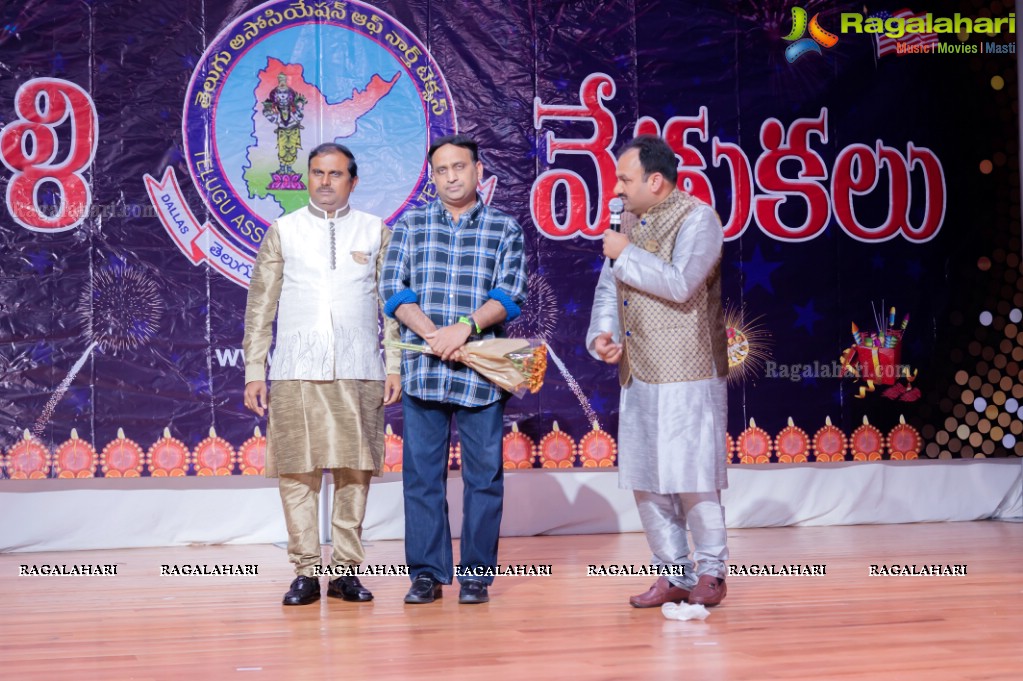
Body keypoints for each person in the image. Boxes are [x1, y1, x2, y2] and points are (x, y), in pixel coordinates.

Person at [243, 142, 401, 606]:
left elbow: (391, 306)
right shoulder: (284, 231)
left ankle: (347, 571)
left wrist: (393, 363)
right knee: (297, 472)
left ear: (353, 180)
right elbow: (260, 307)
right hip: (295, 369)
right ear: (307, 177)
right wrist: (256, 369)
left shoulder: (374, 231)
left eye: (335, 174)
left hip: (360, 369)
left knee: (355, 472)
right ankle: (307, 571)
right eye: (317, 173)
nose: (325, 182)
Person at [379, 134, 527, 605]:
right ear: (432, 176)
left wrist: (462, 328)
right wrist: (431, 335)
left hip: (482, 373)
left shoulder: (504, 228)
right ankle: (426, 574)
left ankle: (477, 576)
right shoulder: (411, 225)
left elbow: (510, 295)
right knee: (421, 478)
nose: (451, 176)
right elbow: (392, 289)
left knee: (484, 479)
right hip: (425, 372)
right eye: (441, 170)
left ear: (478, 170)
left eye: (459, 167)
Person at [586, 135, 730, 608]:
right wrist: (601, 335)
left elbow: (682, 283)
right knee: (647, 479)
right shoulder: (628, 222)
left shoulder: (699, 219)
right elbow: (609, 288)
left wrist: (625, 252)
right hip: (638, 370)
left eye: (625, 179)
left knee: (691, 476)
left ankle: (711, 570)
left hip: (689, 370)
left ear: (655, 180)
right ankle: (673, 573)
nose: (618, 188)